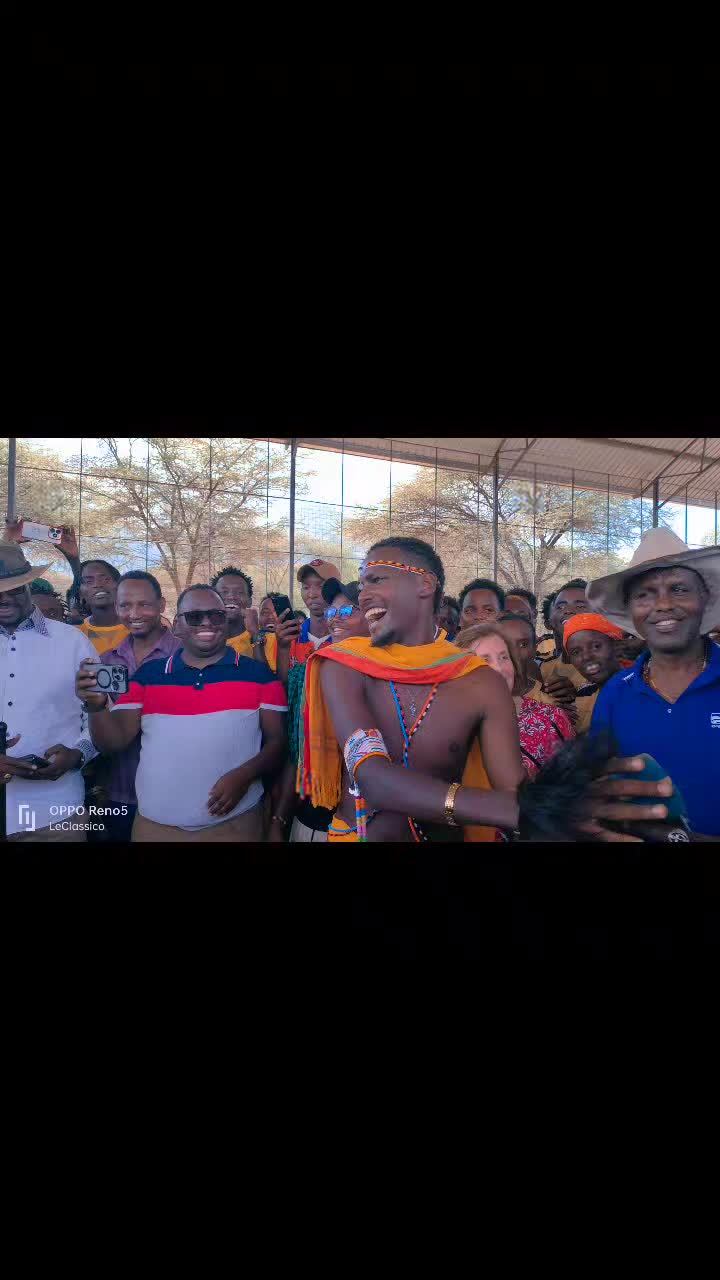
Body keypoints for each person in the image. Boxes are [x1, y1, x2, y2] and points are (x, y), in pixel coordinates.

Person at [297, 537, 663, 843]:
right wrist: (531, 810)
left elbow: (512, 788)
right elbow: (372, 778)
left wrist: (567, 802)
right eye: (362, 585)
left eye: (376, 580)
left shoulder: (480, 680)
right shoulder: (344, 664)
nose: (363, 596)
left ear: (425, 584)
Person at [77, 584, 288, 841]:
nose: (207, 622)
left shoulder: (260, 675)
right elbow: (114, 742)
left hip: (235, 825)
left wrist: (245, 776)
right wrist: (95, 706)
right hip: (155, 829)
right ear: (177, 625)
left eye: (216, 615)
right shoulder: (148, 676)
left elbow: (279, 743)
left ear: (226, 620)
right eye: (195, 617)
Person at [587, 528, 720, 838]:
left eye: (679, 589)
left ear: (704, 598)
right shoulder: (616, 693)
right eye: (644, 595)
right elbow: (599, 784)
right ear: (631, 611)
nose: (663, 605)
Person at [0, 543, 98, 841]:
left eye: (14, 589)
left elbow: (100, 713)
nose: (4, 598)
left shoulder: (73, 642)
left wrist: (78, 754)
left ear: (29, 585)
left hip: (55, 813)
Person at [271, 577, 369, 842]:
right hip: (312, 819)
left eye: (346, 610)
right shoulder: (309, 673)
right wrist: (279, 820)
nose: (335, 618)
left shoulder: (391, 677)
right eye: (331, 612)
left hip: (371, 821)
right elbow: (296, 753)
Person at [91, 570, 180, 839]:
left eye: (144, 604)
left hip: (174, 793)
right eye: (125, 605)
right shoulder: (106, 661)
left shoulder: (185, 657)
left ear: (161, 605)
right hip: (118, 792)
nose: (134, 614)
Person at [457, 620, 575, 778]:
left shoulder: (551, 719)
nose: (499, 668)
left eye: (504, 657)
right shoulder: (448, 725)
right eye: (485, 660)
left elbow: (573, 783)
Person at [562, 613, 629, 734]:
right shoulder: (583, 701)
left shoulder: (644, 687)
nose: (586, 656)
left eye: (596, 646)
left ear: (617, 646)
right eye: (576, 652)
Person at [275, 559, 336, 686]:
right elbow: (282, 688)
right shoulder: (290, 636)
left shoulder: (346, 638)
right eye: (306, 587)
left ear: (337, 590)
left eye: (320, 586)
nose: (311, 594)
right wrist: (283, 648)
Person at [536, 579, 590, 711]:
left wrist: (577, 698)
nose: (568, 610)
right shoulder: (542, 669)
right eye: (560, 607)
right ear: (550, 621)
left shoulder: (608, 666)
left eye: (580, 606)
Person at [209, 566, 264, 661]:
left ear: (249, 601)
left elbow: (263, 671)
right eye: (224, 592)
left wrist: (255, 634)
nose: (231, 597)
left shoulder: (268, 638)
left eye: (240, 592)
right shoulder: (201, 637)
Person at [76, 559, 129, 653]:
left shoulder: (140, 628)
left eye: (105, 579)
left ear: (119, 585)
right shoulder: (75, 635)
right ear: (81, 593)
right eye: (89, 581)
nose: (98, 585)